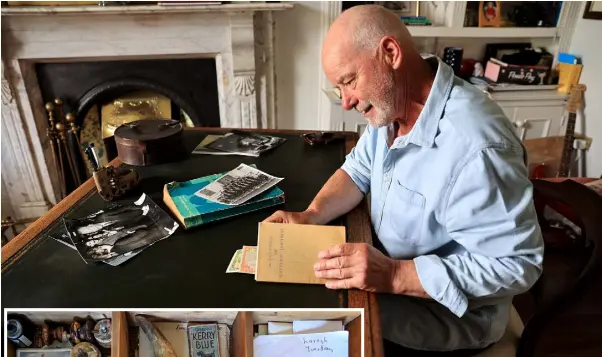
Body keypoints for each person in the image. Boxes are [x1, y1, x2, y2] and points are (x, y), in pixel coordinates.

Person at [264, 4, 544, 356]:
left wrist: (397, 275)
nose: (347, 102)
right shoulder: (391, 106)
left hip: (450, 315)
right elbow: (357, 170)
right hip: (388, 267)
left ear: (390, 53)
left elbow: (518, 264)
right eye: (340, 89)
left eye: (349, 81)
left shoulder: (477, 146)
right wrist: (311, 215)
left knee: (309, 334)